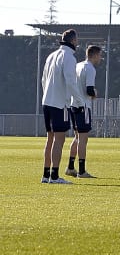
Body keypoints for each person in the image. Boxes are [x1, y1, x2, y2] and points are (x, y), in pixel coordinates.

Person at [40, 29, 86, 184]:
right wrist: (79, 102)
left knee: (50, 139)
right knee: (59, 139)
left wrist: (47, 96)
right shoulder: (69, 57)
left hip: (47, 101)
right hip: (60, 104)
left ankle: (46, 175)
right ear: (73, 41)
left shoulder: (51, 56)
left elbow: (43, 80)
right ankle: (54, 176)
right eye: (77, 40)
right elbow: (71, 81)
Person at [66, 44, 103, 179]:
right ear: (93, 55)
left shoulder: (78, 65)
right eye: (99, 55)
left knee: (77, 137)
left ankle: (70, 167)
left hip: (73, 104)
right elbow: (89, 90)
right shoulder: (90, 69)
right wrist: (94, 93)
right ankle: (81, 171)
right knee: (83, 139)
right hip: (83, 106)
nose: (100, 58)